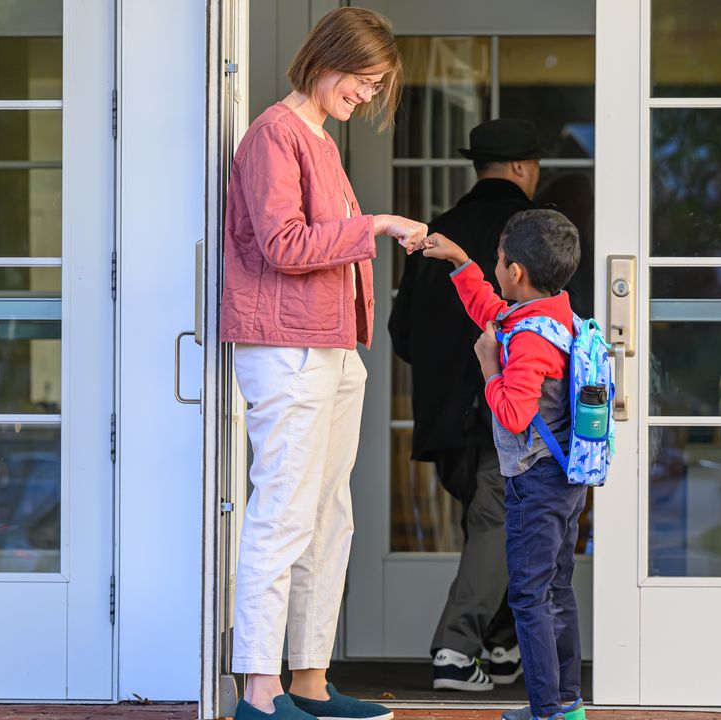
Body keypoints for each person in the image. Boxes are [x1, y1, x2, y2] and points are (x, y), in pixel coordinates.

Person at [219, 9, 428, 720]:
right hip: (289, 349)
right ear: (327, 58)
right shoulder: (274, 134)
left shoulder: (318, 139)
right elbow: (284, 243)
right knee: (283, 513)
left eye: (376, 85)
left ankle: (309, 681)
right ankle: (259, 692)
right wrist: (378, 224)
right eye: (364, 79)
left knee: (330, 516)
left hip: (332, 349)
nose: (366, 95)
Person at [389, 118, 542, 692]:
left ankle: (501, 646)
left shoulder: (439, 233)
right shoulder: (534, 233)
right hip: (506, 407)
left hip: (443, 414)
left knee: (487, 527)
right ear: (523, 168)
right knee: (497, 523)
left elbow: (401, 334)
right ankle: (456, 651)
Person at [420, 210, 587, 720]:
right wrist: (460, 262)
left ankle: (546, 711)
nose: (495, 269)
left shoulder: (531, 338)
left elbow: (514, 413)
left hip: (536, 482)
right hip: (563, 479)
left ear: (515, 271)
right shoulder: (553, 313)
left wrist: (489, 366)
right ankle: (567, 706)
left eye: (496, 260)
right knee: (556, 590)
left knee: (530, 598)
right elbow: (492, 311)